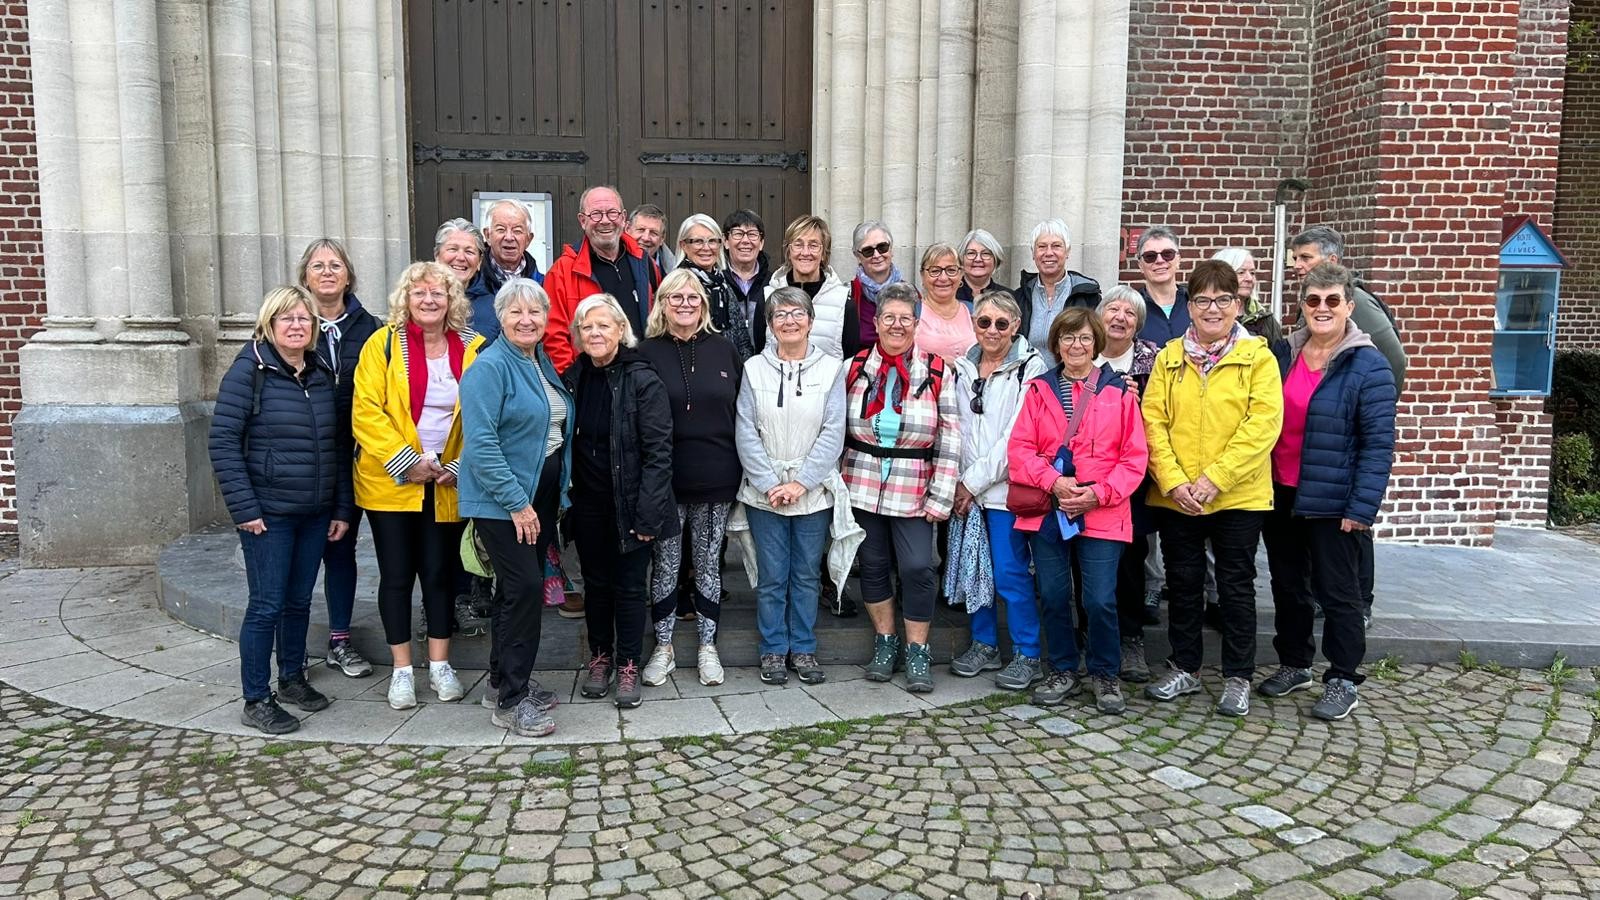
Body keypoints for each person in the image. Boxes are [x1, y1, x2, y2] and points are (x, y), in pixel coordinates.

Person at [1141, 260, 1283, 717]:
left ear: (1238, 304)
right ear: (1190, 306)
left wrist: (1214, 479)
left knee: (1235, 587)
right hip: (1178, 497)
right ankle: (1185, 666)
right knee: (1184, 585)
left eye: (1223, 299)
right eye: (1202, 300)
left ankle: (1238, 676)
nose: (1212, 309)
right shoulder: (1169, 358)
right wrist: (1175, 481)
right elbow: (1153, 422)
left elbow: (1262, 426)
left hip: (1237, 496)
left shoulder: (1258, 358)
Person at [209, 286, 352, 734]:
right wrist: (244, 509)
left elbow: (337, 445)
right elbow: (223, 443)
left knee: (298, 601)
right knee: (266, 605)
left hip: (314, 511)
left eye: (304, 318)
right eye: (286, 318)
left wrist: (341, 506)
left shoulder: (320, 372)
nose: (296, 325)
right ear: (269, 325)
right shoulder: (248, 372)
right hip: (267, 514)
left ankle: (292, 678)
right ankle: (256, 698)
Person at [1258, 263, 1396, 721]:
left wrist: (1362, 507)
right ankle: (1295, 663)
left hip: (1334, 498)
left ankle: (1342, 677)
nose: (1322, 308)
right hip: (1281, 491)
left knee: (1338, 592)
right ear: (1302, 306)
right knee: (1288, 586)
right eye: (1313, 300)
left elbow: (1378, 445)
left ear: (1349, 306)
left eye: (1332, 300)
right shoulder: (1284, 354)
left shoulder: (1368, 365)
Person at [351, 261, 485, 711]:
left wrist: (460, 465)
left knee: (439, 574)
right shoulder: (382, 344)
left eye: (438, 293)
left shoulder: (472, 346)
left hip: (446, 481)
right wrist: (408, 463)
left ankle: (441, 665)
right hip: (392, 482)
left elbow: (485, 413)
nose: (428, 300)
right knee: (396, 575)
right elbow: (366, 410)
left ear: (452, 300)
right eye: (419, 292)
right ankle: (402, 671)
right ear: (405, 299)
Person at [1007, 308, 1149, 714]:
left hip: (1103, 510)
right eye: (1068, 337)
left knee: (1100, 599)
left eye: (1085, 338)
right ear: (1056, 343)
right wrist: (1053, 482)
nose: (1076, 345)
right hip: (1049, 510)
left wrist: (1098, 494)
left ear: (1096, 343)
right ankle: (1063, 668)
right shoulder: (1039, 390)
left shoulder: (1118, 392)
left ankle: (1105, 673)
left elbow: (1134, 458)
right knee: (1053, 595)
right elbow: (1019, 449)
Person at [458, 278, 572, 737]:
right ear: (500, 318)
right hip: (502, 500)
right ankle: (511, 700)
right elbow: (481, 445)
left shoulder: (538, 360)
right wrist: (518, 504)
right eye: (515, 312)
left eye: (535, 312)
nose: (527, 320)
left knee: (513, 590)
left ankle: (500, 682)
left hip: (537, 497)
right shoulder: (490, 367)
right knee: (525, 588)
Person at [842, 284, 961, 693]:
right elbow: (837, 429)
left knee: (917, 567)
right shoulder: (855, 367)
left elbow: (950, 437)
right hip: (861, 483)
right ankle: (885, 642)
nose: (896, 325)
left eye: (905, 318)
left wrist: (942, 495)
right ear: (876, 323)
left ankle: (917, 650)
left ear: (916, 323)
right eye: (888, 317)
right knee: (873, 565)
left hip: (915, 487)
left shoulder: (939, 371)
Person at [1289, 225, 1408, 631]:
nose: (1297, 265)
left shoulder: (1360, 311)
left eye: (1305, 257)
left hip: (1340, 456)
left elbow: (1394, 359)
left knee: (1349, 544)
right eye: (1296, 258)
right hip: (1305, 466)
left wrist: (1364, 403)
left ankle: (1360, 608)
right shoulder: (1303, 326)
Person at [563, 293, 678, 709]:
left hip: (632, 503)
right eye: (587, 327)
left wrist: (648, 514)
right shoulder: (573, 377)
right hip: (587, 503)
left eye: (603, 325)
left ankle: (628, 664)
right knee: (595, 586)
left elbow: (659, 452)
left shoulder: (642, 378)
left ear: (621, 330)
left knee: (629, 587)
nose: (595, 333)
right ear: (578, 335)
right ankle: (601, 659)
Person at [735, 287, 854, 686]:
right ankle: (772, 649)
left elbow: (833, 431)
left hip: (813, 492)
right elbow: (745, 431)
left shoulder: (831, 369)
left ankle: (802, 647)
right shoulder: (753, 369)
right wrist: (770, 483)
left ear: (811, 321)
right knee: (772, 575)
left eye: (797, 313)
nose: (789, 321)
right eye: (780, 315)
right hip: (764, 492)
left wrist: (802, 482)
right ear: (770, 325)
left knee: (804, 574)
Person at [637, 269, 743, 688]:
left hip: (716, 476)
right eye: (675, 297)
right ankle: (663, 647)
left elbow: (741, 412)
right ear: (662, 304)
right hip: (663, 479)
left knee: (707, 564)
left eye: (693, 297)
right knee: (666, 564)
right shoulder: (646, 352)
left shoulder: (725, 349)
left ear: (704, 305)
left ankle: (707, 647)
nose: (685, 304)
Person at [948, 291, 1048, 689]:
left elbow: (1016, 438)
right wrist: (958, 481)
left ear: (1016, 326)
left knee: (1010, 573)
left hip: (1005, 491)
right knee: (975, 571)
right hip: (968, 491)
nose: (992, 330)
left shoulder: (1030, 368)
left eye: (1001, 324)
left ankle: (1028, 653)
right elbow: (955, 427)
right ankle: (984, 644)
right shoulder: (963, 366)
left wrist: (971, 482)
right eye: (984, 322)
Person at [298, 238, 379, 679]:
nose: (327, 273)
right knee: (310, 550)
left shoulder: (372, 329)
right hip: (310, 456)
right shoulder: (292, 324)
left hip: (362, 453)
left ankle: (343, 639)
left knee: (348, 548)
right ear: (305, 277)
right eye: (318, 266)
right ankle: (298, 644)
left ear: (348, 275)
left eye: (335, 265)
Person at [1094, 285, 1163, 682]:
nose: (1119, 318)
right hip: (1086, 475)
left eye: (1129, 313)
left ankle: (1131, 639)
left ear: (1138, 324)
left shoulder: (1153, 361)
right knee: (1087, 559)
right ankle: (1091, 634)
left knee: (1130, 558)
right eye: (1113, 310)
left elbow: (1164, 416)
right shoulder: (1082, 352)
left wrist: (1139, 402)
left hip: (1130, 477)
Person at [544, 185, 661, 372]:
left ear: (623, 218)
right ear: (583, 221)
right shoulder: (562, 272)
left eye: (612, 213)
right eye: (596, 214)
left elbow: (659, 321)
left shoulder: (644, 263)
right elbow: (554, 339)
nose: (605, 221)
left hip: (641, 376)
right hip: (591, 380)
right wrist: (573, 382)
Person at [765, 215, 858, 360]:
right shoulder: (767, 297)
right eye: (798, 245)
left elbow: (850, 362)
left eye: (813, 245)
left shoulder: (844, 303)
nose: (805, 252)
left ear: (823, 253)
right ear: (789, 252)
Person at [1013, 219, 1101, 365]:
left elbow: (1098, 345)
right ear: (1033, 253)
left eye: (1056, 246)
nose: (1049, 253)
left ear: (1067, 252)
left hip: (1072, 377)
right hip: (1028, 378)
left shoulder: (1087, 296)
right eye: (1042, 246)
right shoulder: (1019, 297)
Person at [675, 213, 755, 359]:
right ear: (683, 245)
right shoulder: (676, 285)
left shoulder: (722, 283)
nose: (706, 248)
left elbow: (741, 336)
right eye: (698, 241)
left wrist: (743, 366)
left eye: (712, 241)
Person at [468, 200, 545, 341]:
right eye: (501, 229)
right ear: (487, 235)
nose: (509, 237)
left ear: (528, 239)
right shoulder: (470, 283)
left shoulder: (543, 286)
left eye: (517, 231)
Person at [723, 209, 773, 353]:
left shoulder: (773, 283)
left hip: (765, 362)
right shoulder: (717, 282)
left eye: (752, 234)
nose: (745, 241)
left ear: (761, 243)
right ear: (726, 241)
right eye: (738, 233)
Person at [847, 220, 904, 347]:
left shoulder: (910, 294)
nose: (877, 255)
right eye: (868, 251)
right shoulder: (848, 296)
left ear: (891, 249)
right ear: (858, 256)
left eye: (882, 247)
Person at [916, 242, 976, 361]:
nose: (943, 278)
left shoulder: (974, 312)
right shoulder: (912, 314)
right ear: (922, 275)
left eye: (951, 270)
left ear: (961, 274)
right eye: (935, 271)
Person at [434, 218, 492, 341]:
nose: (461, 257)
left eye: (469, 251)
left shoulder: (494, 307)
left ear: (479, 262)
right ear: (437, 256)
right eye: (453, 249)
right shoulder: (419, 300)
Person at [1212, 248, 1282, 344]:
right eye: (1241, 272)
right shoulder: (1207, 316)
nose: (1249, 278)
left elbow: (1277, 352)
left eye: (1252, 273)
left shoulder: (1265, 320)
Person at [1134, 227, 1189, 346]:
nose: (1159, 260)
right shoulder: (1132, 307)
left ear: (1178, 260)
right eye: (1150, 256)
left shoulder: (1196, 302)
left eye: (1167, 254)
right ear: (1140, 265)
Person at [956, 229, 1010, 310]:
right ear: (961, 259)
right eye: (971, 253)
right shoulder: (950, 294)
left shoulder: (1008, 297)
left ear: (995, 260)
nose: (978, 259)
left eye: (985, 253)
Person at [628, 203, 676, 273]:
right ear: (628, 229)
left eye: (653, 233)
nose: (646, 238)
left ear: (662, 238)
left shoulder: (675, 271)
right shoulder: (615, 263)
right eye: (641, 230)